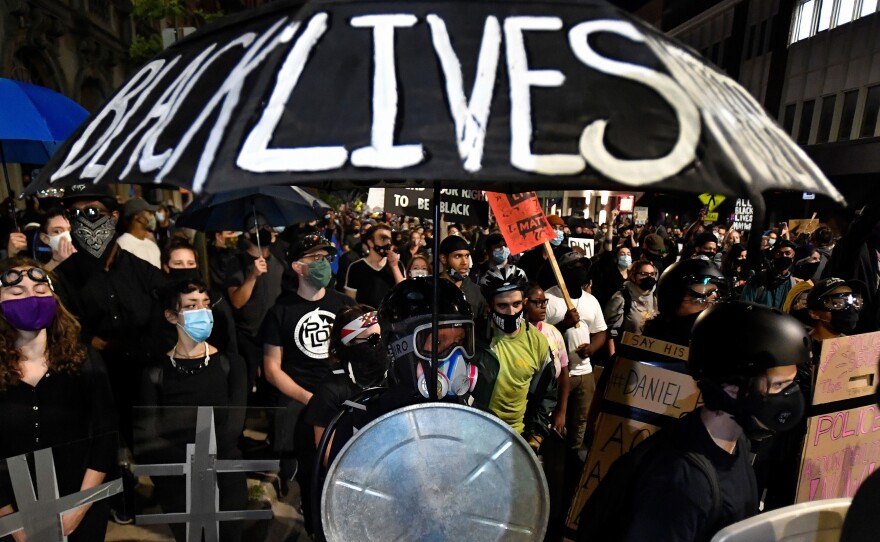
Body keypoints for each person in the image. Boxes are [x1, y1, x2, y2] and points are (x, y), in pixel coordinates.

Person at [579, 301, 808, 542]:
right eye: (779, 385)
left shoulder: (735, 443)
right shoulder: (680, 481)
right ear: (732, 386)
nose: (788, 396)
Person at [0, 258, 117, 541]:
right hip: (11, 507)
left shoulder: (85, 360)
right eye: (17, 293)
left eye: (40, 290)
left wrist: (76, 511)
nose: (31, 297)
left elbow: (105, 437)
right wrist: (13, 523)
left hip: (80, 504)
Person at [136, 279, 247, 542]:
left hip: (225, 473)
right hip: (177, 480)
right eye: (192, 306)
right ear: (171, 316)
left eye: (206, 305)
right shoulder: (155, 372)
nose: (203, 312)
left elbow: (233, 426)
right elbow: (149, 433)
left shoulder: (231, 364)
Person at [261, 233, 355, 495]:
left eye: (326, 258)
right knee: (308, 473)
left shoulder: (345, 305)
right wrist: (309, 398)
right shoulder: (280, 311)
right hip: (300, 405)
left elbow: (359, 354)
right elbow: (272, 368)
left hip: (340, 401)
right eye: (315, 258)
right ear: (297, 267)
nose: (323, 263)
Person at [471, 267, 549, 434]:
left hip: (514, 435)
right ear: (489, 307)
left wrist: (536, 435)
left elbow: (545, 392)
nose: (511, 312)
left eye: (516, 304)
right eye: (503, 305)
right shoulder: (472, 339)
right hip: (475, 430)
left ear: (525, 303)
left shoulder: (538, 342)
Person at [544, 251, 607, 449]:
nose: (580, 271)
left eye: (583, 266)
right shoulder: (548, 299)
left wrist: (592, 348)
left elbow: (600, 332)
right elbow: (538, 337)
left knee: (581, 422)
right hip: (557, 375)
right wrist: (564, 325)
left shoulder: (591, 301)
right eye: (574, 267)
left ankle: (574, 457)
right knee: (553, 421)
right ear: (561, 272)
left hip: (585, 373)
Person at [225, 213, 284, 396]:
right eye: (257, 228)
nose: (263, 231)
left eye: (267, 227)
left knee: (272, 386)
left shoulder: (280, 261)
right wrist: (252, 275)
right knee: (246, 386)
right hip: (248, 336)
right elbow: (236, 302)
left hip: (274, 336)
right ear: (246, 235)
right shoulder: (236, 262)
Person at [641, 257, 725, 347]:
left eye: (714, 301)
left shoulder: (715, 340)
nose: (709, 305)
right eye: (699, 300)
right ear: (672, 299)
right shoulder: (653, 344)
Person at [343, 222, 405, 308]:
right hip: (365, 318)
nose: (387, 243)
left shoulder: (398, 265)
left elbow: (404, 293)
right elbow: (350, 302)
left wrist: (394, 266)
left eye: (389, 239)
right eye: (383, 238)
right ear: (370, 243)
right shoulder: (356, 267)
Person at [604, 260, 658, 339]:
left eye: (652, 274)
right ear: (633, 276)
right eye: (644, 274)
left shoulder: (655, 297)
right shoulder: (621, 298)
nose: (649, 277)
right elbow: (610, 332)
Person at [741, 239, 799, 310]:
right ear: (774, 257)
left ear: (793, 258)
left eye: (788, 253)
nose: (784, 256)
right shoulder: (758, 280)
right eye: (779, 254)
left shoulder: (792, 284)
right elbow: (744, 306)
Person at [116, 197, 161, 269]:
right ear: (138, 217)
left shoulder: (152, 246)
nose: (152, 216)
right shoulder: (122, 245)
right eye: (149, 213)